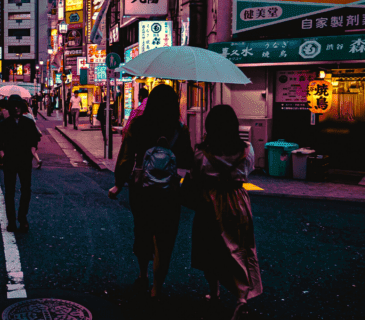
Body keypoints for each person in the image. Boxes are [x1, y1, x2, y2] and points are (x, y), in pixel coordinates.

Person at [108, 85, 193, 299]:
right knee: (166, 236)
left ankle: (142, 273)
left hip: (141, 189)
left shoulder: (138, 124)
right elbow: (188, 160)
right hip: (170, 191)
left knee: (143, 230)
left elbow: (126, 156)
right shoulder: (179, 128)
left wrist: (118, 183)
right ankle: (158, 285)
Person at [191, 104, 263, 318]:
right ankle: (242, 297)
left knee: (209, 248)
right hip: (238, 202)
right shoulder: (247, 149)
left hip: (210, 203)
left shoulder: (202, 153)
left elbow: (196, 177)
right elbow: (248, 170)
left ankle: (214, 292)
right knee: (241, 247)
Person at [0, 97, 42, 232]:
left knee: (26, 190)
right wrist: (3, 156)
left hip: (25, 160)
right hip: (10, 160)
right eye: (13, 106)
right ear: (9, 108)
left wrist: (32, 151)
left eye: (18, 106)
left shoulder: (28, 123)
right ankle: (11, 221)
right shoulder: (5, 124)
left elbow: (34, 139)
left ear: (22, 107)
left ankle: (22, 217)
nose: (16, 108)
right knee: (9, 191)